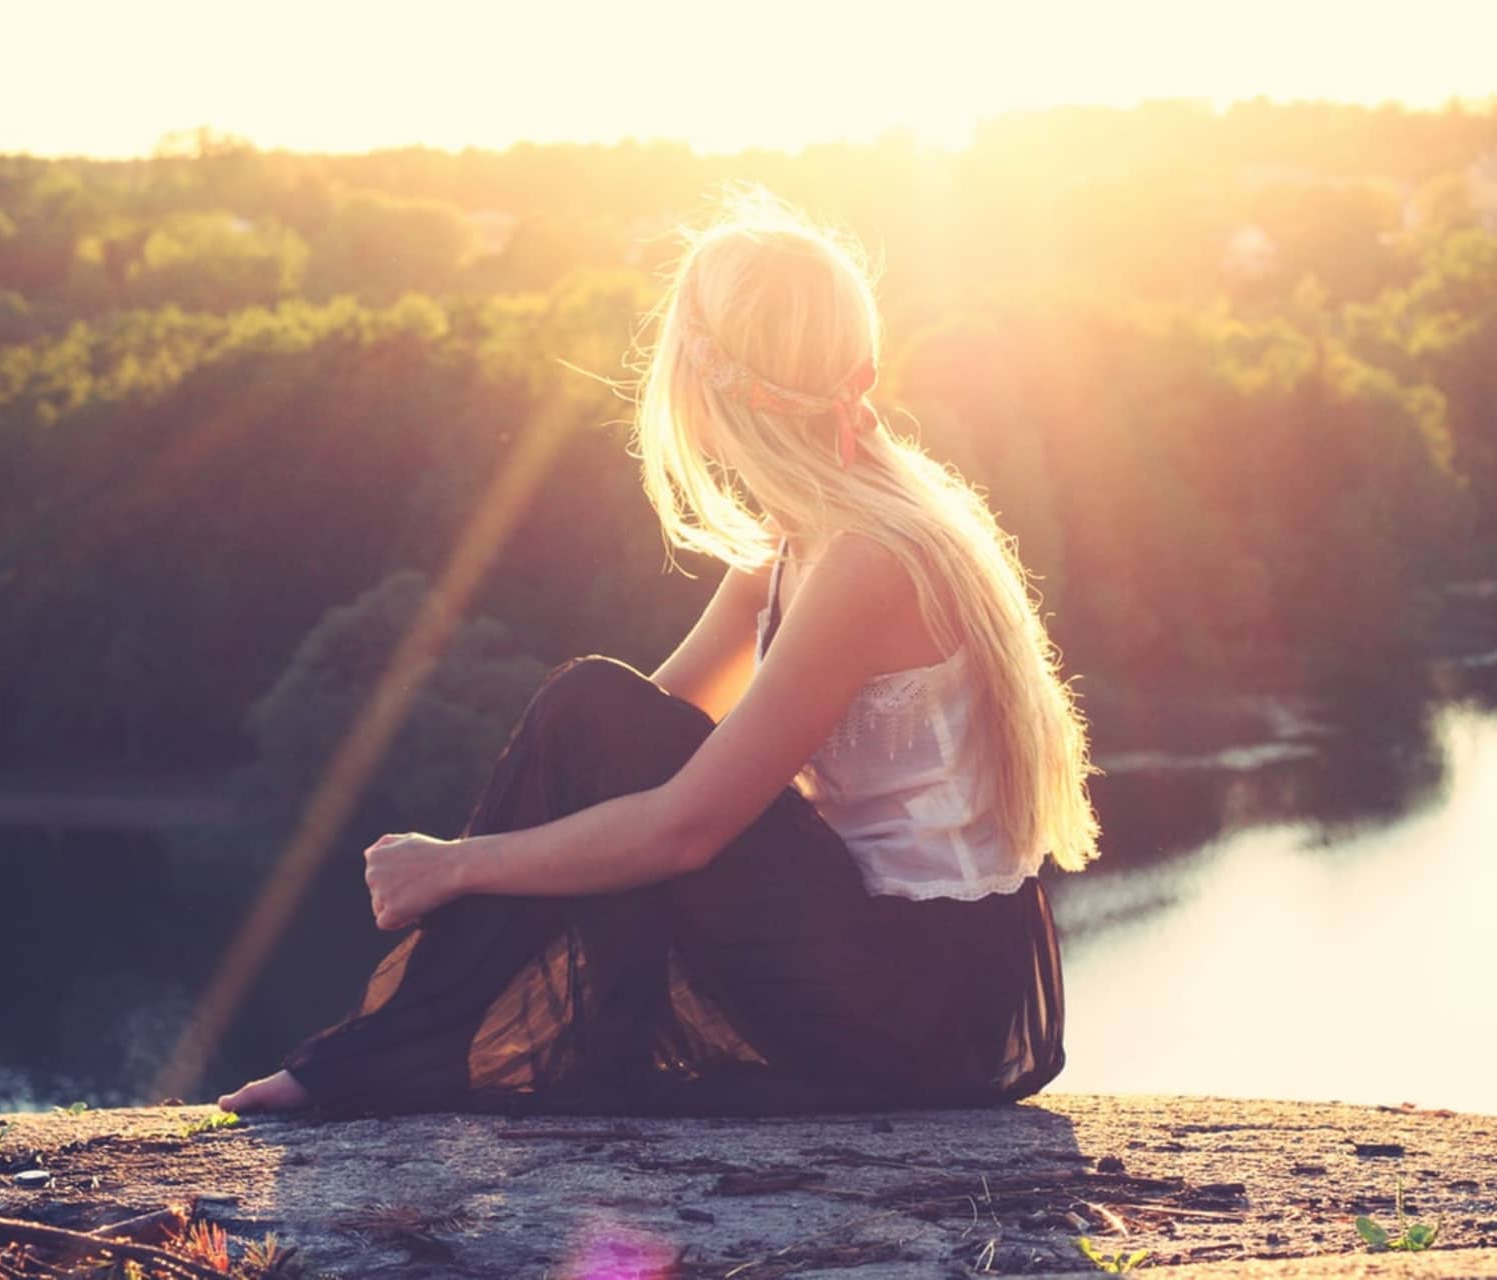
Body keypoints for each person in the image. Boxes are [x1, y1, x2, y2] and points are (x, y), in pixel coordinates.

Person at [218, 187, 1101, 1117]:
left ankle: (393, 1055)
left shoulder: (865, 561)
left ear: (705, 378)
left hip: (925, 1004)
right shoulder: (803, 538)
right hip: (900, 970)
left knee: (593, 714)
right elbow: (619, 743)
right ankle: (403, 1050)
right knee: (588, 702)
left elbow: (686, 826)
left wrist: (458, 867)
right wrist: (484, 852)